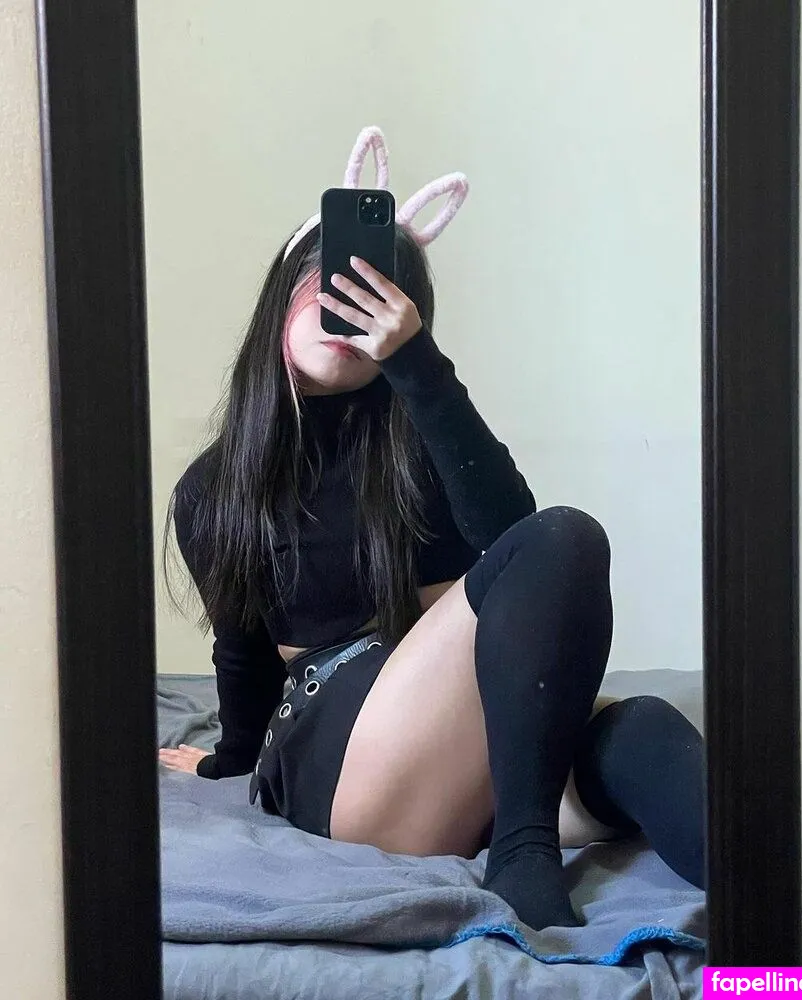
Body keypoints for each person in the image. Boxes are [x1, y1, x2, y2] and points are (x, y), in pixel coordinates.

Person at [159, 128, 705, 931]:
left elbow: (520, 549)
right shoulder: (215, 489)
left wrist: (416, 364)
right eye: (332, 281)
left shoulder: (422, 441)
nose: (350, 308)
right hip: (346, 758)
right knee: (564, 536)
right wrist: (230, 759)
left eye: (380, 293)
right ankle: (523, 854)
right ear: (284, 294)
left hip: (460, 762)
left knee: (644, 729)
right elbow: (241, 652)